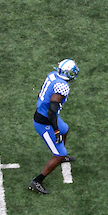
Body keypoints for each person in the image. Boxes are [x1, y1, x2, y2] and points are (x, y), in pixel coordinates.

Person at [30, 59, 79, 195]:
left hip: (47, 116)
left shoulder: (53, 75)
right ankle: (37, 181)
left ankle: (61, 155)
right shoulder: (62, 86)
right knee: (60, 153)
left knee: (65, 129)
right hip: (44, 122)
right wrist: (55, 130)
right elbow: (51, 111)